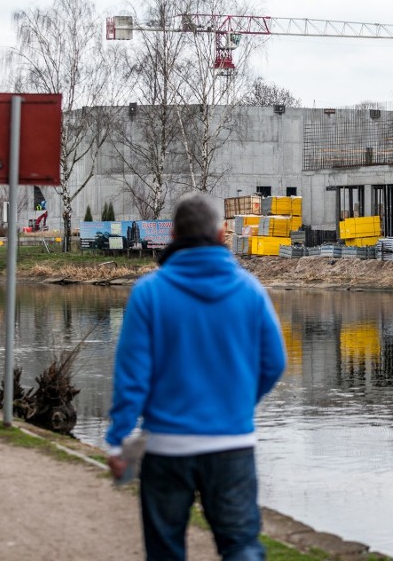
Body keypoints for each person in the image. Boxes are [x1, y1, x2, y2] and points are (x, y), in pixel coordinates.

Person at [105, 192, 287, 561]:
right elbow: (274, 363)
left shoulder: (149, 293)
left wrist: (117, 439)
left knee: (166, 550)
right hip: (232, 443)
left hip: (167, 446)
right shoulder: (250, 290)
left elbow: (132, 376)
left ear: (173, 234)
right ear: (222, 235)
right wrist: (238, 403)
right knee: (241, 545)